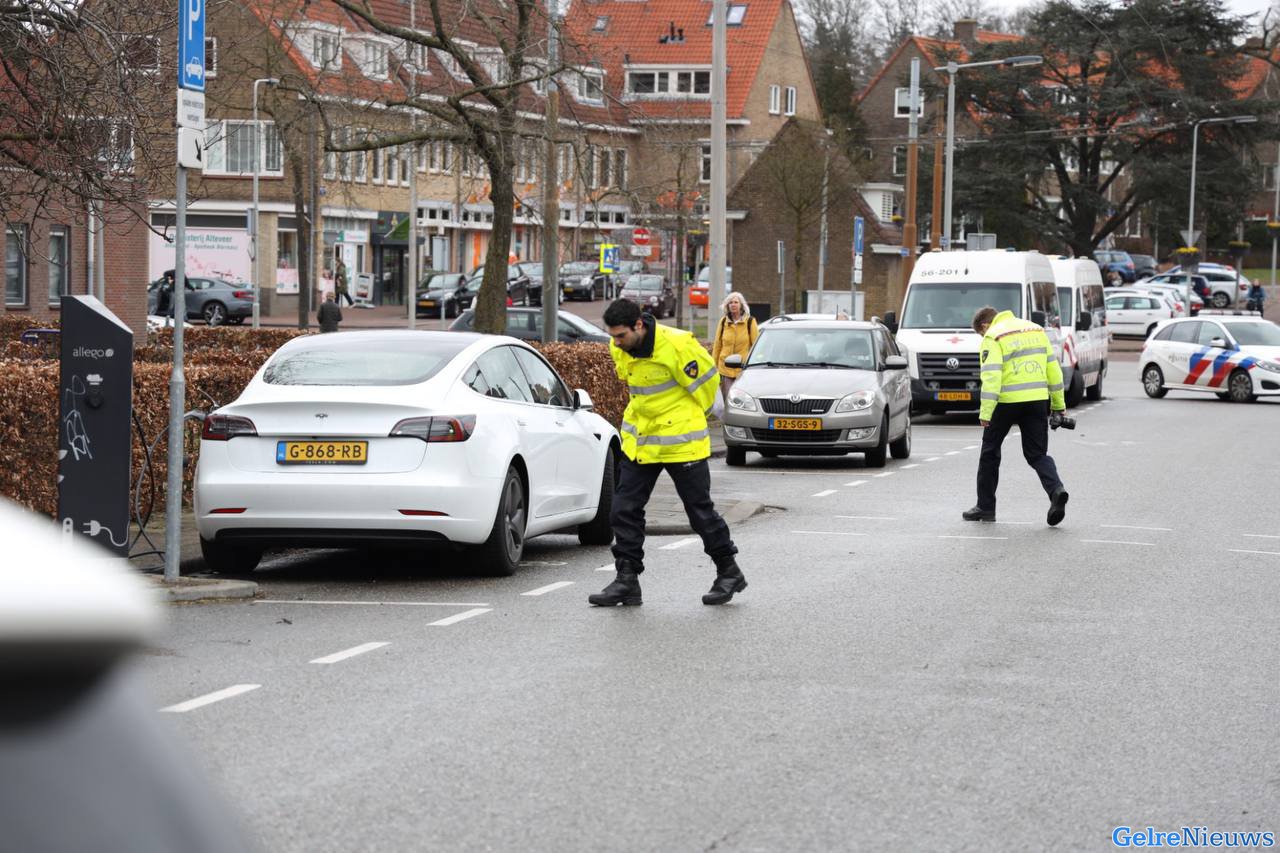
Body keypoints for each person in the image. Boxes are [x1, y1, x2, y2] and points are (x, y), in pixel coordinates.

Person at [590, 299, 747, 607]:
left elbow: (707, 387)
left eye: (620, 335)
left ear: (638, 325)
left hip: (681, 442)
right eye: (612, 336)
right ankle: (626, 580)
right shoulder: (618, 345)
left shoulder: (676, 345)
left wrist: (686, 420)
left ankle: (729, 571)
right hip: (643, 441)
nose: (616, 343)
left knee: (699, 512)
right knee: (623, 510)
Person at [965, 305, 1069, 526]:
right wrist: (1058, 405)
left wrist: (985, 412)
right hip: (1037, 400)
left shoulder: (994, 335)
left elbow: (992, 376)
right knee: (1037, 454)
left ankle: (985, 507)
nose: (982, 336)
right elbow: (1053, 369)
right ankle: (1056, 490)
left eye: (980, 334)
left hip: (1006, 402)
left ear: (984, 325)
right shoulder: (1035, 330)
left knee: (990, 453)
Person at [710, 292, 758, 407]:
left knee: (742, 400)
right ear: (727, 306)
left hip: (742, 370)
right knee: (727, 400)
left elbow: (756, 346)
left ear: (741, 305)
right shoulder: (723, 322)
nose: (733, 305)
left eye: (736, 302)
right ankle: (727, 422)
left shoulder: (750, 322)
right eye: (730, 302)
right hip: (725, 369)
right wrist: (713, 366)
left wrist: (755, 365)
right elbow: (717, 345)